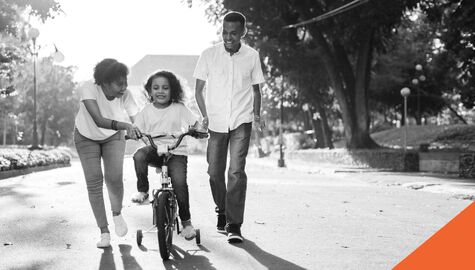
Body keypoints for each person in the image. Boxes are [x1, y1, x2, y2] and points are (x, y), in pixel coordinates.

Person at [194, 11, 265, 243]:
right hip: (215, 122)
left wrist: (256, 114)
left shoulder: (252, 56)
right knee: (214, 172)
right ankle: (222, 210)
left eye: (233, 33)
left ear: (243, 32)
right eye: (225, 32)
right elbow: (198, 90)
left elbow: (256, 89)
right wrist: (204, 116)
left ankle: (234, 224)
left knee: (235, 171)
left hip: (241, 121)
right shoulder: (209, 54)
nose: (228, 37)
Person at [74, 58, 141, 248]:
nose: (124, 87)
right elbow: (98, 120)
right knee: (94, 182)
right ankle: (104, 232)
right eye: (119, 83)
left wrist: (141, 130)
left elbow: (138, 119)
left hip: (113, 137)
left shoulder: (125, 95)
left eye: (125, 82)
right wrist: (126, 125)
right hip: (86, 136)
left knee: (114, 178)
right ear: (104, 82)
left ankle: (117, 213)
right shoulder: (89, 88)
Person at [131, 70, 202, 239]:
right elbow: (137, 128)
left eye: (165, 88)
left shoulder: (179, 108)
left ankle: (187, 224)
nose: (160, 91)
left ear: (173, 90)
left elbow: (195, 123)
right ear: (149, 91)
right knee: (139, 155)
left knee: (179, 184)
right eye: (156, 88)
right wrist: (133, 132)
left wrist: (197, 130)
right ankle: (143, 191)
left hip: (176, 151)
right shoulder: (146, 110)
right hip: (155, 150)